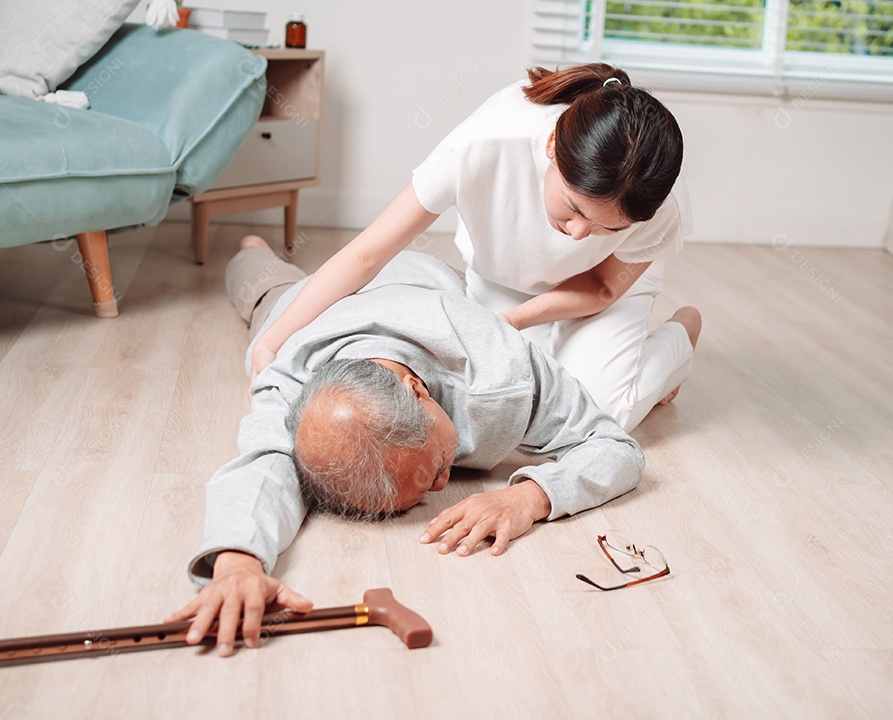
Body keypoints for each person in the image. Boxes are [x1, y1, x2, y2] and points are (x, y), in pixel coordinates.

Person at [167, 237, 646, 656]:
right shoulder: (287, 379)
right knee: (263, 286)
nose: (442, 484)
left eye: (438, 464)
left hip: (418, 276)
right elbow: (262, 467)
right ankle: (253, 251)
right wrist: (236, 562)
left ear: (418, 388)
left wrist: (529, 497)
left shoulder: (502, 368)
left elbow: (615, 446)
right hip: (306, 306)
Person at [248, 63, 702, 432]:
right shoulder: (484, 144)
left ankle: (681, 333)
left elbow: (603, 287)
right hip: (503, 274)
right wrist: (270, 342)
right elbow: (368, 253)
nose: (580, 234)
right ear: (550, 146)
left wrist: (509, 322)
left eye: (608, 227)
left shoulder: (655, 204)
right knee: (510, 399)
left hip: (603, 290)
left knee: (600, 413)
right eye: (573, 208)